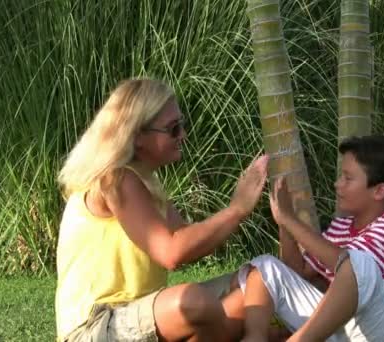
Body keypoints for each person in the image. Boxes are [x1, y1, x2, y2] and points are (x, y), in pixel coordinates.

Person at [55, 78, 268, 342]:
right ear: (137, 135)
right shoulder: (113, 179)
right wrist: (237, 209)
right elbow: (171, 252)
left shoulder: (145, 180)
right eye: (173, 129)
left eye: (182, 125)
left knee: (258, 285)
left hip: (141, 317)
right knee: (194, 301)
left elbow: (186, 240)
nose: (183, 136)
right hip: (95, 329)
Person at [239, 135, 384, 342]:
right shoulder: (342, 226)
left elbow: (347, 264)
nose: (337, 184)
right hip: (344, 329)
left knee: (359, 265)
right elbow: (298, 273)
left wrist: (289, 220)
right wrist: (284, 223)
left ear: (379, 190)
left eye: (348, 178)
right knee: (266, 266)